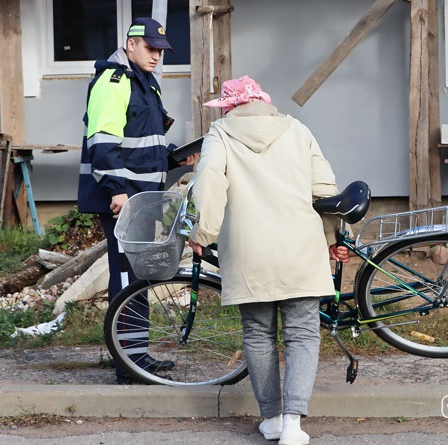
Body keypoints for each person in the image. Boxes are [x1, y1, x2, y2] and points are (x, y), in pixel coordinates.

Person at [188, 75, 349, 445]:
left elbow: (209, 179)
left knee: (258, 334)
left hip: (249, 252)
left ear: (230, 107)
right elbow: (325, 191)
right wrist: (334, 239)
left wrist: (203, 233)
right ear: (263, 101)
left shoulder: (220, 134)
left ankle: (272, 419)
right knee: (303, 334)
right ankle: (294, 423)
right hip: (301, 247)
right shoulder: (298, 129)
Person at [77, 17, 198, 384]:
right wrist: (116, 191)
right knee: (128, 276)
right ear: (130, 45)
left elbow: (143, 143)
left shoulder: (145, 83)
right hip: (123, 200)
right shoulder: (113, 81)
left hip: (141, 199)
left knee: (138, 276)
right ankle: (128, 364)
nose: (156, 56)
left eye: (161, 51)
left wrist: (176, 156)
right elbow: (102, 142)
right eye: (150, 48)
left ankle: (136, 355)